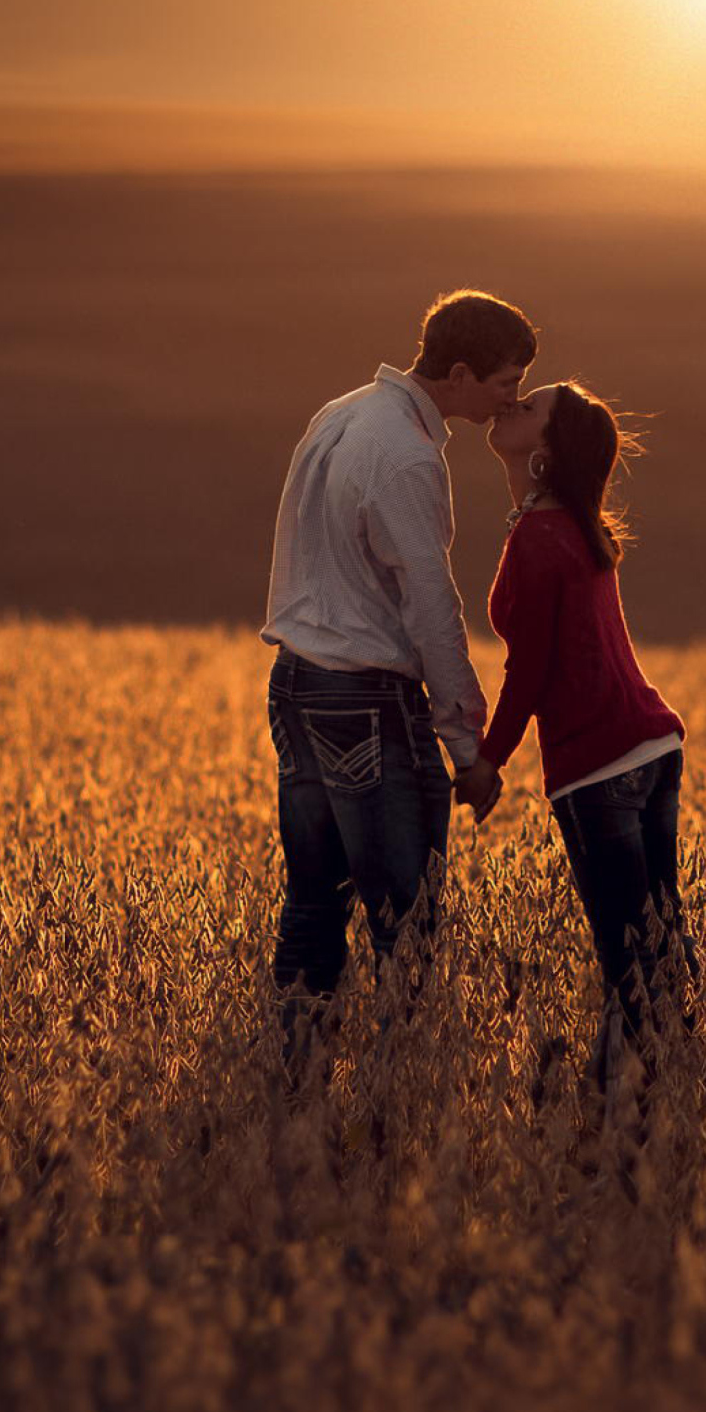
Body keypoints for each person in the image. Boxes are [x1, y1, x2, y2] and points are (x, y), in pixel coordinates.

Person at [261, 290, 532, 1060]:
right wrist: (467, 748)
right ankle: (401, 1098)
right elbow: (431, 609)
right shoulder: (409, 456)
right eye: (505, 380)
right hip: (367, 697)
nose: (511, 396)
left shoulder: (342, 413)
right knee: (406, 925)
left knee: (313, 906)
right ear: (458, 373)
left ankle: (294, 1085)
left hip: (296, 684)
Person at [478, 380, 694, 1084]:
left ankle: (619, 1117)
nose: (511, 406)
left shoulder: (542, 536)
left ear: (546, 449)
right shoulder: (572, 524)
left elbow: (531, 671)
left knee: (627, 963)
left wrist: (488, 763)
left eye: (529, 406)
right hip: (652, 746)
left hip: (599, 766)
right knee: (661, 944)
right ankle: (678, 1087)